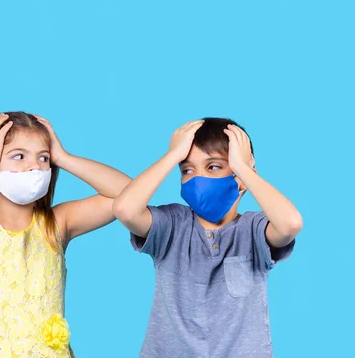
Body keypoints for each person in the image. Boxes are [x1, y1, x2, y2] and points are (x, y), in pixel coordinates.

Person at [0, 108, 131, 357]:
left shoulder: (56, 224)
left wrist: (63, 157)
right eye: (19, 156)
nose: (34, 166)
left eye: (43, 158)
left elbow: (130, 195)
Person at [113, 117, 303, 358]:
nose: (197, 178)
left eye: (213, 166)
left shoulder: (253, 229)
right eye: (187, 170)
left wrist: (243, 169)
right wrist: (172, 155)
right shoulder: (171, 225)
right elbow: (125, 209)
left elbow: (290, 224)